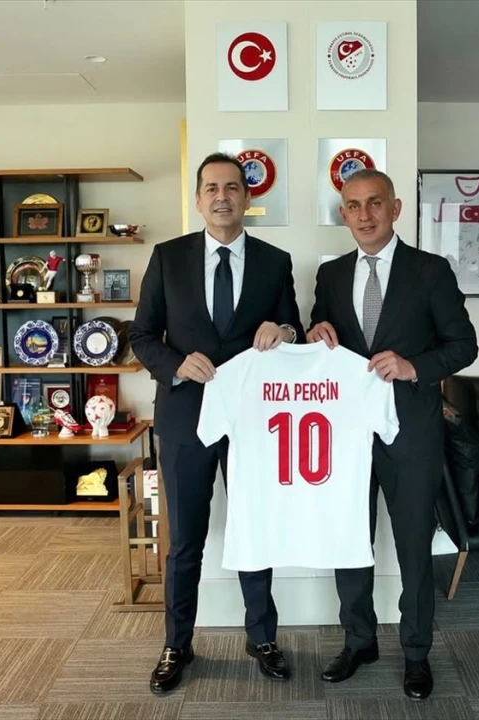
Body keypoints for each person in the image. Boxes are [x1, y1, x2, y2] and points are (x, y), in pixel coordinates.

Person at [128, 152, 303, 694]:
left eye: (232, 187)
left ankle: (262, 638)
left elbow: (294, 326)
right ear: (198, 199)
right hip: (185, 416)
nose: (222, 196)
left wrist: (284, 332)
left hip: (254, 420)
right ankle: (176, 643)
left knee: (254, 530)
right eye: (212, 188)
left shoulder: (275, 261)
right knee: (185, 540)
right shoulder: (168, 257)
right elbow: (141, 336)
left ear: (247, 198)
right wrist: (176, 365)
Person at [307, 169, 478, 701]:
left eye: (375, 203)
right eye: (354, 206)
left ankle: (417, 652)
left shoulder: (430, 271)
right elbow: (322, 338)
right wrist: (315, 332)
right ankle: (358, 642)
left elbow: (464, 345)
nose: (365, 215)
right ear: (344, 214)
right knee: (349, 542)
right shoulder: (330, 274)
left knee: (413, 548)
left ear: (396, 208)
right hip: (346, 435)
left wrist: (413, 367)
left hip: (412, 432)